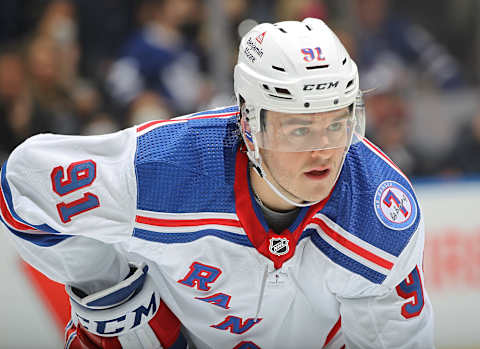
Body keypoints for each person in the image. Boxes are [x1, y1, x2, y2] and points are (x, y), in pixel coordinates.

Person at [0, 18, 434, 348]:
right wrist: (108, 288)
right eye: (300, 129)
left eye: (337, 124)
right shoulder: (164, 169)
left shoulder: (379, 218)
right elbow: (26, 185)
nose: (324, 150)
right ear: (249, 124)